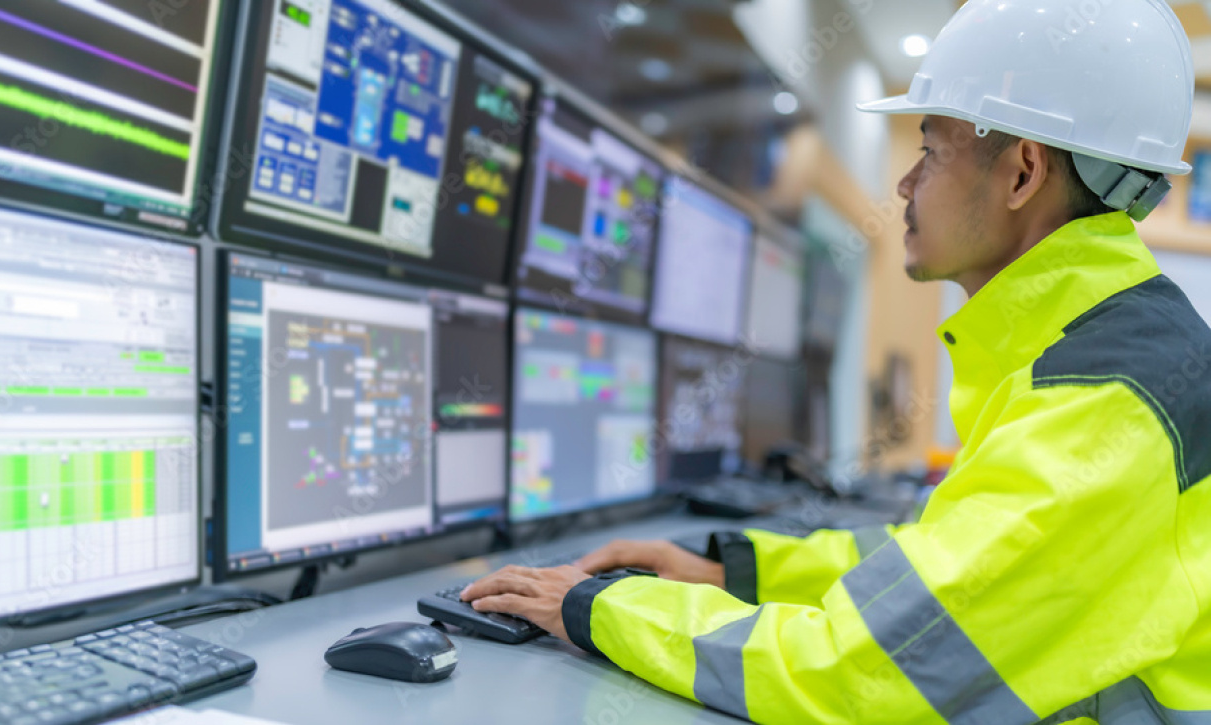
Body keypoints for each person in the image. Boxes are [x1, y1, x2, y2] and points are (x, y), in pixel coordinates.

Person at [461, 1, 1211, 722]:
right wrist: (735, 571)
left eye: (929, 150)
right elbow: (936, 567)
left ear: (1022, 173)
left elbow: (862, 673)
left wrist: (596, 605)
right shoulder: (1083, 350)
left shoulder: (1108, 405)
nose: (904, 184)